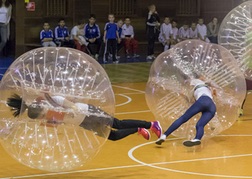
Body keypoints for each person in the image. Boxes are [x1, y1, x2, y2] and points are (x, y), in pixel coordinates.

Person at [7, 93, 162, 141]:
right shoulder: (46, 118)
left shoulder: (53, 101)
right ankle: (138, 129)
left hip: (88, 112)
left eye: (42, 114)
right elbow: (59, 124)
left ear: (41, 108)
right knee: (112, 136)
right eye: (41, 117)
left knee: (118, 123)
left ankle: (151, 124)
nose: (43, 116)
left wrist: (71, 110)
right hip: (83, 123)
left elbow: (70, 105)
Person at [156, 76, 217, 147]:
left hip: (202, 101)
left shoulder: (195, 82)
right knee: (200, 125)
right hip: (212, 107)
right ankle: (197, 139)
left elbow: (189, 98)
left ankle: (164, 135)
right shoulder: (207, 86)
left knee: (183, 118)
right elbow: (212, 90)